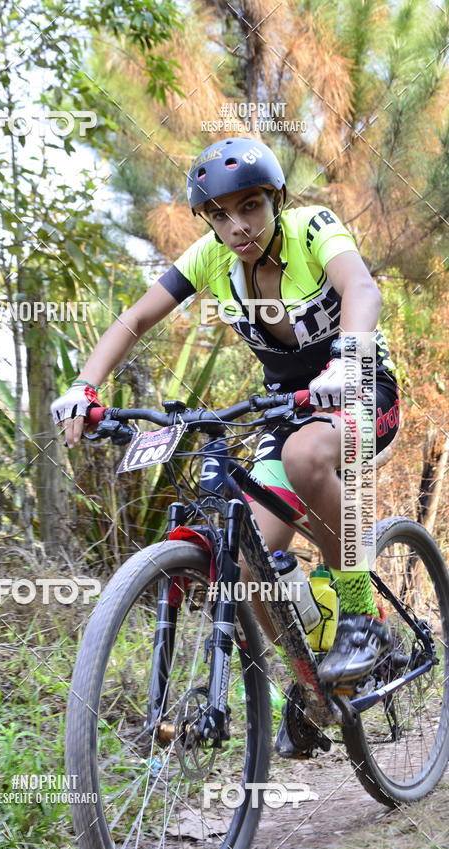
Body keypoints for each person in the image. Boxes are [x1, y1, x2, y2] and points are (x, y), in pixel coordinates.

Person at [51, 136, 400, 756]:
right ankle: (312, 687)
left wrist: (348, 355)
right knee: (244, 563)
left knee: (305, 459)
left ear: (276, 201)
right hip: (285, 407)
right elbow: (135, 319)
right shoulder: (210, 256)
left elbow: (363, 290)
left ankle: (361, 616)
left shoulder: (312, 228)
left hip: (360, 389)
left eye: (251, 208)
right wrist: (85, 385)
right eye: (219, 214)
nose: (237, 226)